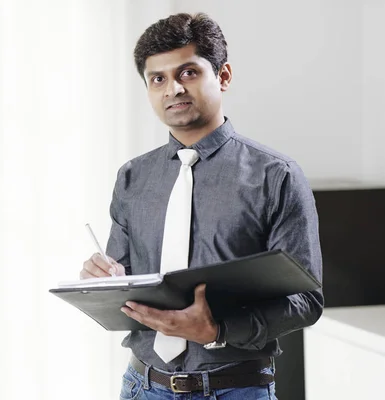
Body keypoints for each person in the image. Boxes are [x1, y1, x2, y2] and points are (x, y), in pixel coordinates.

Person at [80, 12, 323, 400]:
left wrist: (218, 329)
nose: (172, 88)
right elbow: (124, 284)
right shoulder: (133, 177)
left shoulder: (276, 176)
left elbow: (306, 301)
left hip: (237, 389)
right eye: (157, 79)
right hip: (143, 387)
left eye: (188, 72)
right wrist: (103, 281)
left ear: (223, 76)